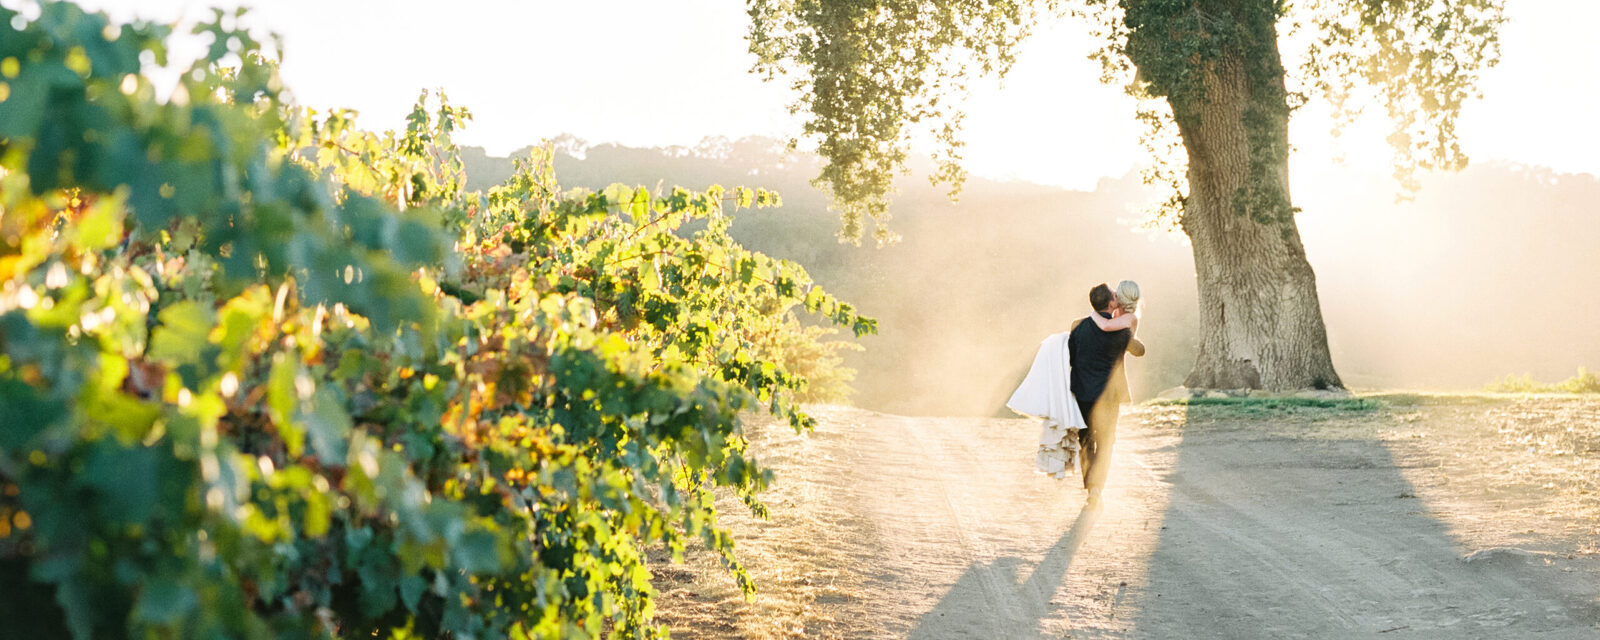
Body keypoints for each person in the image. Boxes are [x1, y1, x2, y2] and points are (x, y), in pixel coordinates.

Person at [1067, 281, 1146, 508]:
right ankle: (1096, 489)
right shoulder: (1119, 332)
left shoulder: (1077, 326)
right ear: (1112, 303)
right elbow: (1139, 351)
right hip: (1109, 397)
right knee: (1106, 443)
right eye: (1115, 294)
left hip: (1082, 394)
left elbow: (1069, 358)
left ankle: (1090, 485)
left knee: (1085, 442)